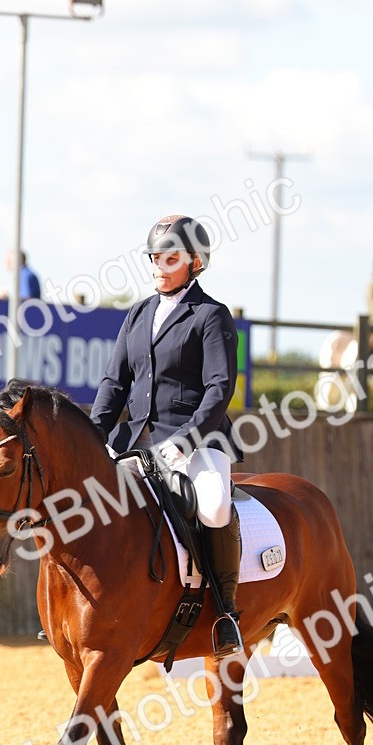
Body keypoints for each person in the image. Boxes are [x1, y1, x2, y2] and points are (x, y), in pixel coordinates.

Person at [90, 214, 242, 658]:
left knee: (213, 504)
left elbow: (219, 387)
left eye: (169, 257)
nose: (158, 265)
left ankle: (226, 613)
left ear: (195, 262)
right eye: (155, 257)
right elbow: (114, 383)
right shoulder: (138, 314)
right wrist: (96, 433)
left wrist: (188, 440)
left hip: (197, 439)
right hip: (135, 438)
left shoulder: (211, 315)